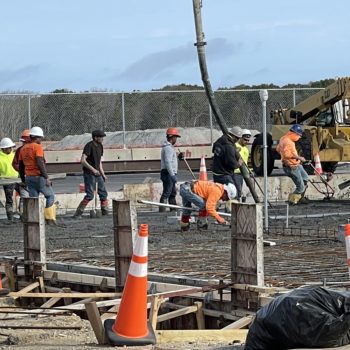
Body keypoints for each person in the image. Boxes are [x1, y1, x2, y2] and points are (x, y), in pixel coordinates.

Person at [18, 126, 57, 223]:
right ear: (37, 137)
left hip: (29, 178)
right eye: (41, 138)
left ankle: (34, 219)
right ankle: (49, 218)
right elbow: (40, 163)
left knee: (34, 199)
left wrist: (23, 180)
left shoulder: (23, 149)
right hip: (39, 177)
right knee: (50, 196)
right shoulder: (37, 147)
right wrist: (46, 177)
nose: (41, 140)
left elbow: (21, 166)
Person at [74, 130, 108, 218]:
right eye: (101, 137)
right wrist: (93, 170)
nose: (102, 139)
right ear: (96, 138)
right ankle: (78, 213)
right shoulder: (89, 146)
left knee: (103, 193)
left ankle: (105, 212)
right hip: (89, 173)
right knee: (90, 195)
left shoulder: (100, 146)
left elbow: (99, 161)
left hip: (97, 173)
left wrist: (103, 174)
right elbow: (83, 160)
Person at [276, 124, 309, 205]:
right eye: (299, 135)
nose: (299, 137)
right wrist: (299, 157)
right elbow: (287, 155)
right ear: (294, 133)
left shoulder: (283, 138)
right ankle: (292, 201)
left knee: (305, 178)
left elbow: (278, 149)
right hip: (291, 167)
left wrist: (284, 155)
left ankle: (300, 197)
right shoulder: (288, 142)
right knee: (300, 187)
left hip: (296, 165)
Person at [159, 127, 181, 212]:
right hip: (168, 173)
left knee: (172, 193)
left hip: (169, 173)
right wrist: (172, 175)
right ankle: (162, 211)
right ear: (172, 137)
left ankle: (173, 209)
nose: (176, 139)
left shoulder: (169, 148)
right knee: (167, 192)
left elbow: (171, 161)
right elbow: (168, 163)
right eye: (175, 137)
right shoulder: (168, 148)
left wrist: (178, 158)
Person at [0, 138, 19, 221]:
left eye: (11, 147)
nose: (10, 149)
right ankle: (10, 218)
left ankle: (23, 214)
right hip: (7, 180)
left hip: (17, 179)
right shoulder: (0, 157)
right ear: (3, 148)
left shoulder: (14, 155)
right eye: (8, 148)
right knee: (9, 199)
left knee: (25, 195)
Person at [12, 129, 31, 213]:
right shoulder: (20, 150)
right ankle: (23, 215)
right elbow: (15, 163)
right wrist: (22, 171)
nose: (23, 143)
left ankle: (29, 214)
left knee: (32, 197)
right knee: (25, 197)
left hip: (33, 178)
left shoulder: (35, 149)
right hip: (23, 179)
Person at [233, 129, 251, 201]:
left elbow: (245, 162)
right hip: (235, 172)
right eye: (245, 140)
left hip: (242, 173)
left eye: (248, 140)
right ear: (240, 138)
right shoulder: (235, 146)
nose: (246, 142)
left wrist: (248, 170)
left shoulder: (246, 149)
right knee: (237, 190)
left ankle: (238, 203)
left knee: (240, 191)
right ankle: (235, 204)